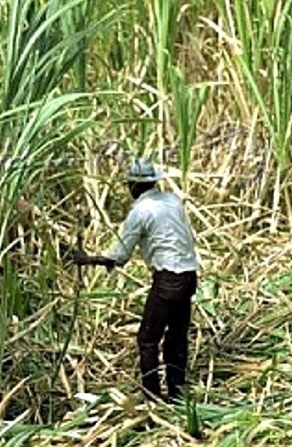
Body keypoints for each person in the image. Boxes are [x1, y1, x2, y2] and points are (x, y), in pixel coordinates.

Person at [74, 158, 200, 402]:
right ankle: (177, 393)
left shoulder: (141, 211)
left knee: (147, 339)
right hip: (188, 275)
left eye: (129, 184)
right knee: (176, 336)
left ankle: (151, 397)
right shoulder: (172, 201)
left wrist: (87, 260)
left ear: (134, 185)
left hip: (168, 278)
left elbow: (119, 254)